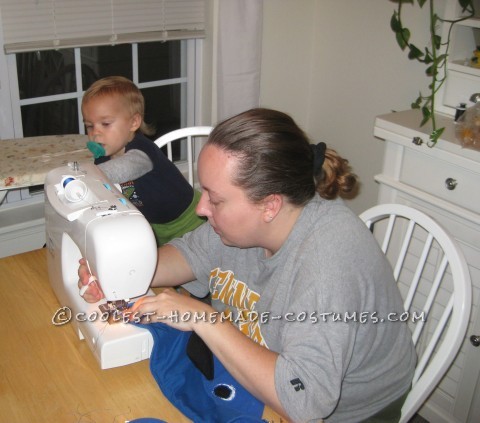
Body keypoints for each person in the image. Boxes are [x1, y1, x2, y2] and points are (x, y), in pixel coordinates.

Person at [79, 108, 416, 422]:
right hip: (258, 370)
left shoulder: (329, 263)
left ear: (269, 206)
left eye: (216, 198)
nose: (201, 208)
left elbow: (304, 399)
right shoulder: (248, 222)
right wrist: (114, 270)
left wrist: (202, 317)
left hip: (341, 412)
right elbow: (189, 255)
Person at [81, 76, 205, 245]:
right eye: (90, 125)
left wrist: (86, 176)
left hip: (191, 221)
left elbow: (124, 168)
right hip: (154, 227)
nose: (95, 132)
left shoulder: (141, 150)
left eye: (106, 123)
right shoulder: (102, 157)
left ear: (133, 122)